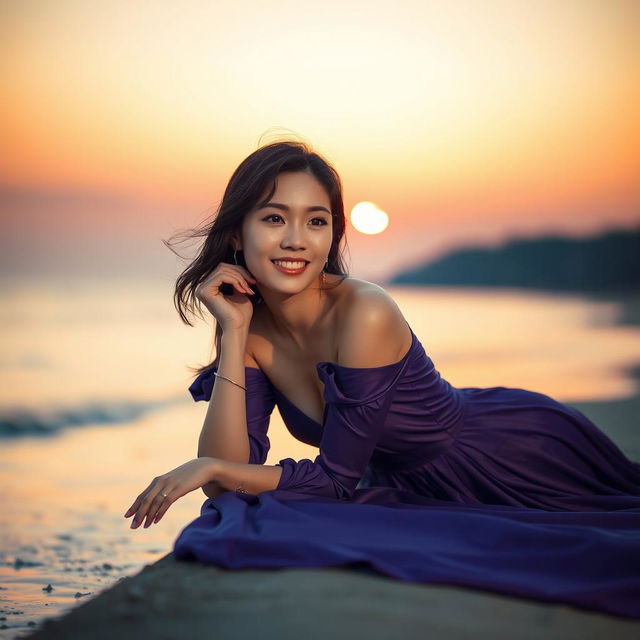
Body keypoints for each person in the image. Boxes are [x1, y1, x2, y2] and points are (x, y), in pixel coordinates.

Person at [124, 140, 640, 618]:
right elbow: (227, 477)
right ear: (239, 232)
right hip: (403, 483)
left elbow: (333, 481)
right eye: (275, 217)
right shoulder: (248, 324)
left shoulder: (364, 312)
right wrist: (233, 334)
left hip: (509, 459)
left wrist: (206, 466)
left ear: (333, 234)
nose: (296, 240)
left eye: (317, 221)